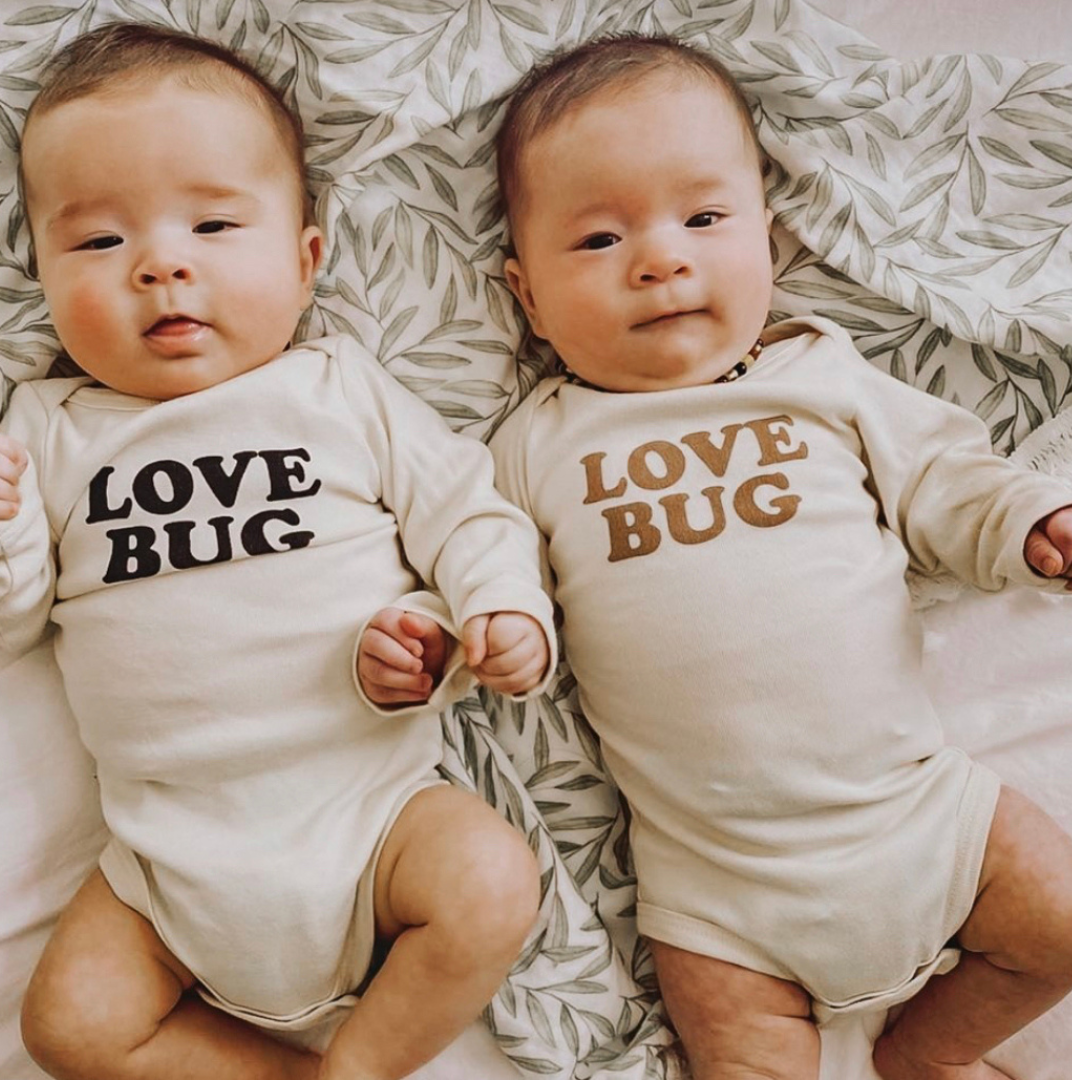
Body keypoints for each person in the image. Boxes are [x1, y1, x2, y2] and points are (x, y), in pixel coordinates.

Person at [365, 33, 1072, 1080]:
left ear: (769, 242)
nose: (660, 260)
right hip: (719, 892)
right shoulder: (534, 443)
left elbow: (946, 477)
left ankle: (926, 1055)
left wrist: (1029, 524)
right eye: (598, 239)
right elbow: (481, 564)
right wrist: (454, 639)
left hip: (924, 817)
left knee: (1059, 922)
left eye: (702, 219)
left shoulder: (821, 376)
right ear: (527, 297)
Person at [0, 22, 557, 1080]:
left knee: (491, 881)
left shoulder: (337, 389)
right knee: (66, 1027)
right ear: (41, 273)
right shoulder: (48, 429)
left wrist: (493, 613)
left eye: (212, 224)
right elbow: (11, 625)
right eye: (99, 242)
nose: (161, 264)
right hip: (164, 865)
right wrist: (0, 533)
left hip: (374, 821)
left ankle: (359, 1068)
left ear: (305, 263)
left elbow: (467, 509)